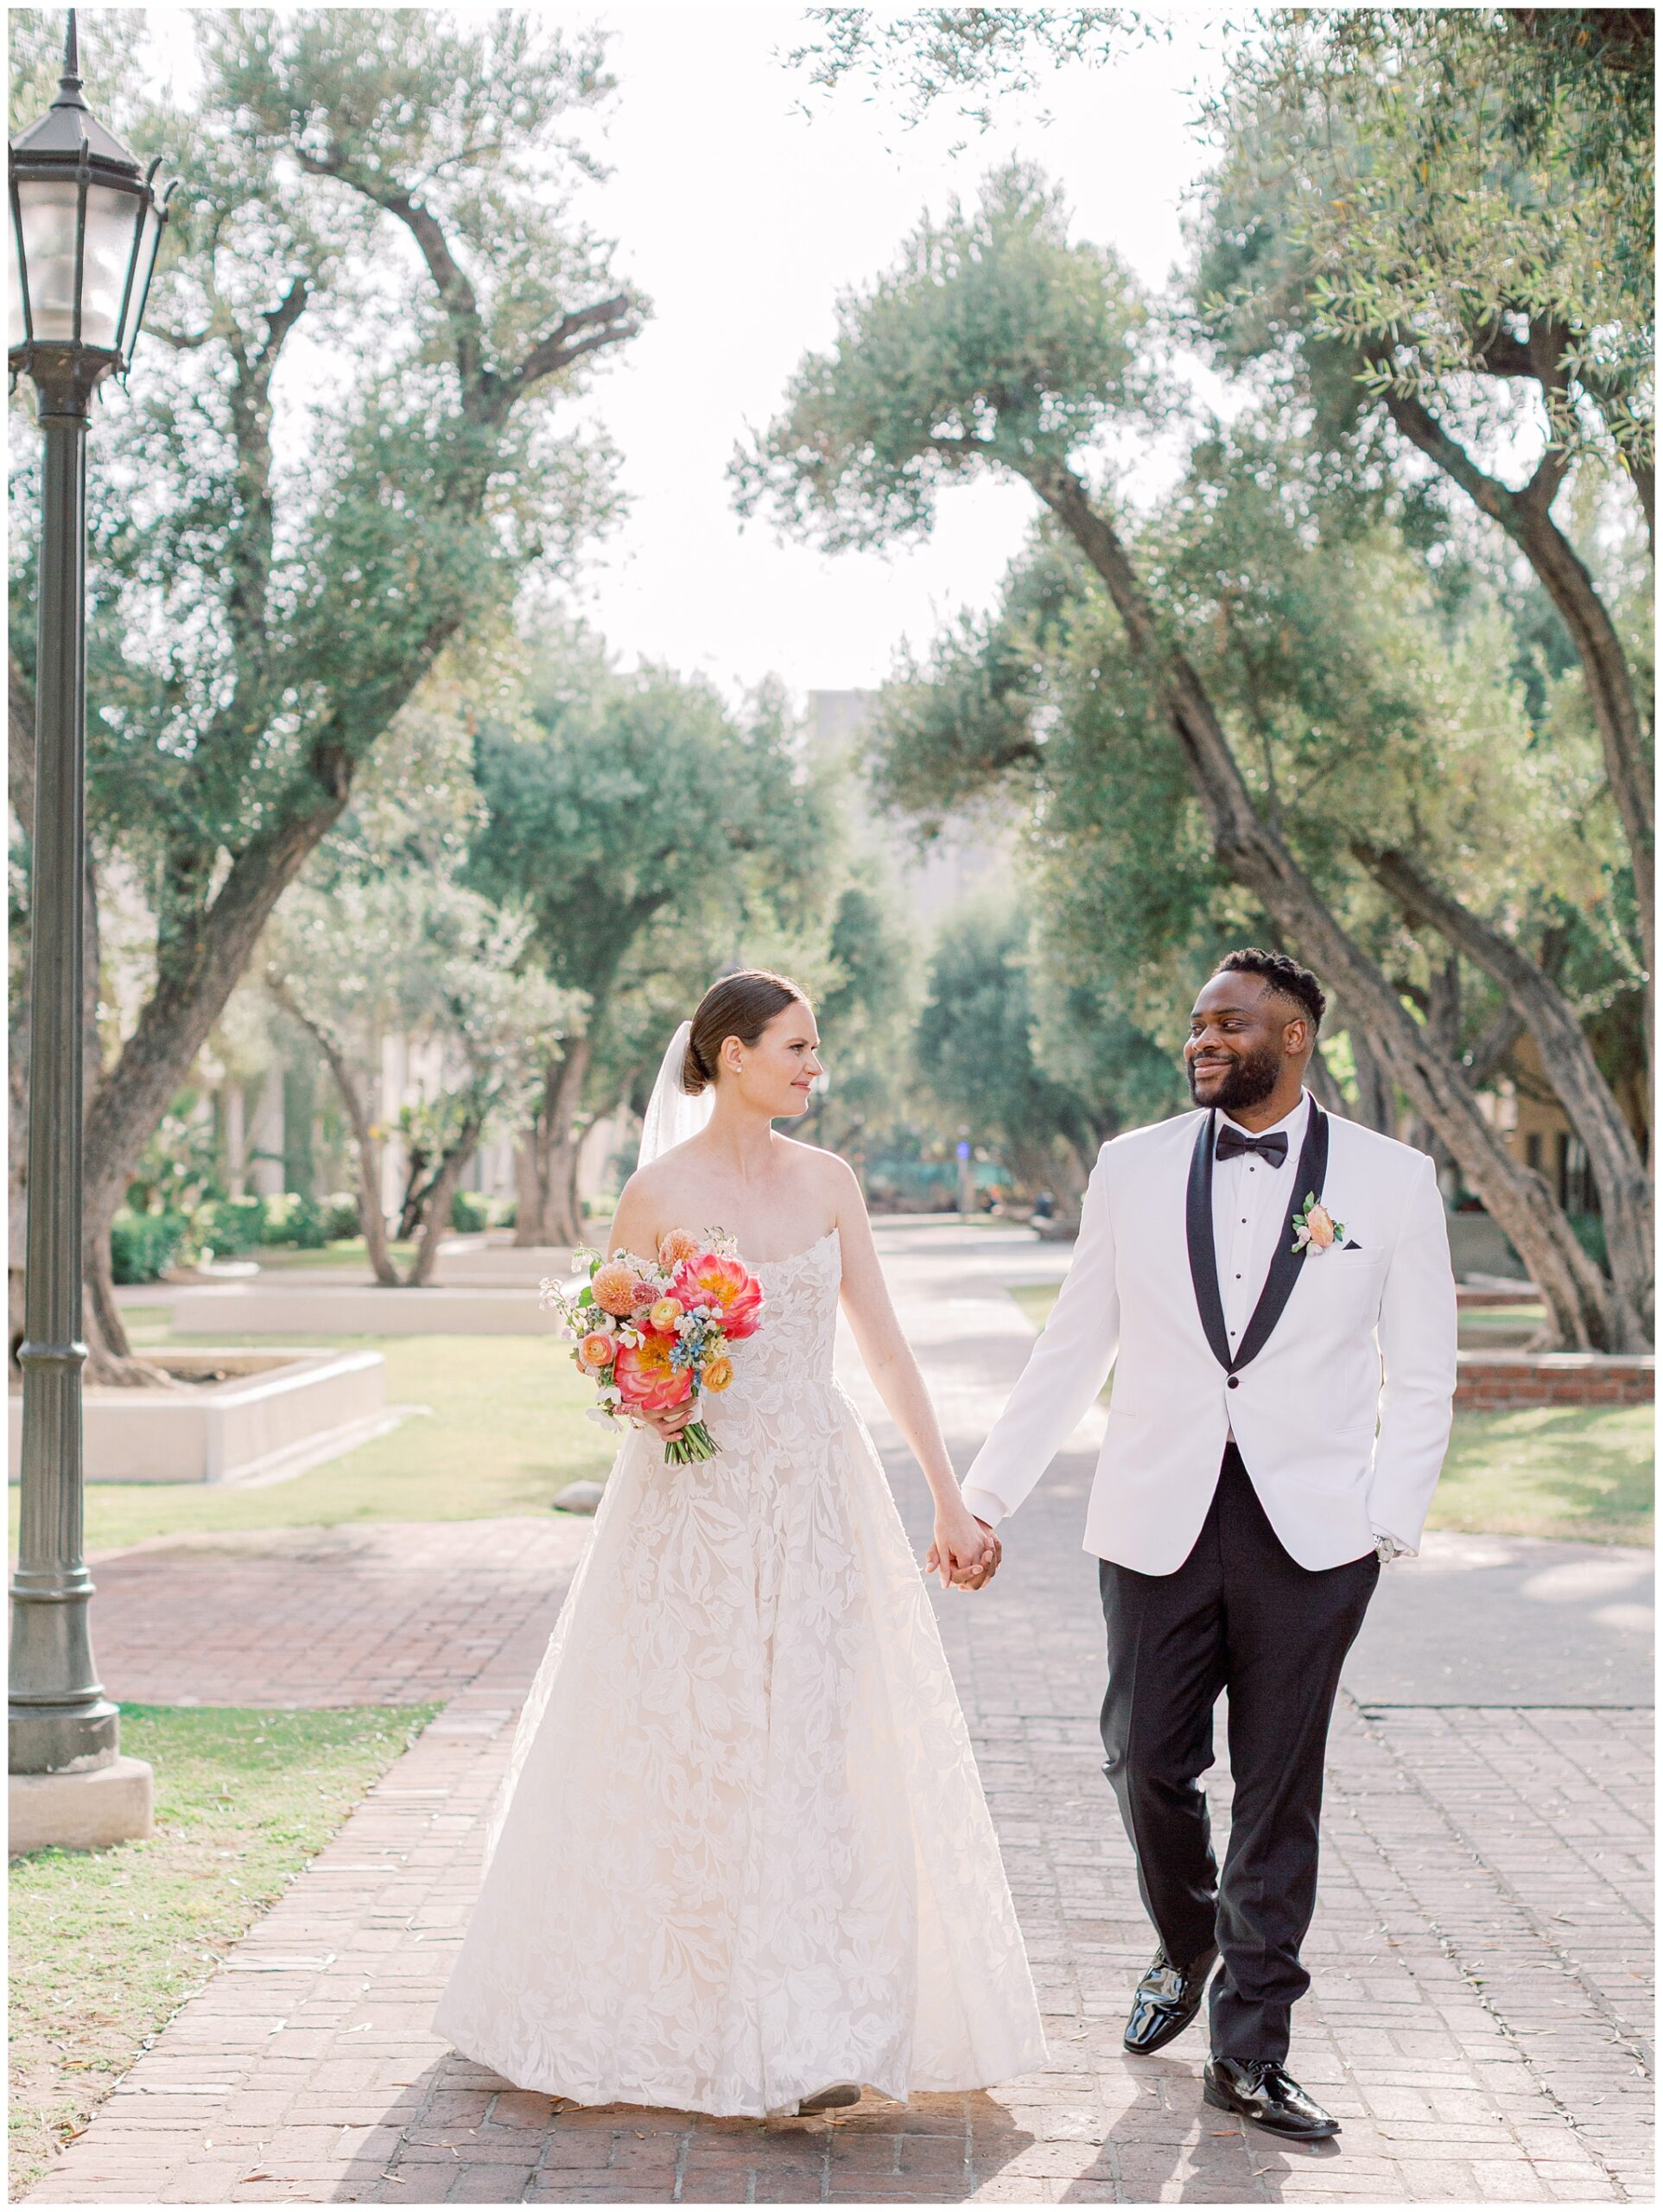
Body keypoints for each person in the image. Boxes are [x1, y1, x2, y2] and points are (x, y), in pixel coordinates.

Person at [433, 969, 1045, 2118]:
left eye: (816, 1049)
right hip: (692, 1508)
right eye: (797, 1047)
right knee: (694, 1745)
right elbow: (616, 1354)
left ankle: (822, 2029)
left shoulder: (830, 1184)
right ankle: (689, 2012)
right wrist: (650, 1389)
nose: (815, 1066)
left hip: (818, 1495)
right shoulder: (656, 1193)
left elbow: (888, 1351)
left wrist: (949, 1501)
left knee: (817, 1747)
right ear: (730, 1055)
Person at [956, 948, 1457, 2142]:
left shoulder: (1391, 1182)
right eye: (1193, 1023)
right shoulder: (1130, 1169)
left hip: (1312, 1535)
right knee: (1143, 1758)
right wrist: (987, 1497)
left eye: (1228, 1024)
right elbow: (1073, 1343)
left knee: (1278, 1792)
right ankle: (1189, 1945)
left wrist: (1386, 1520)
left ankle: (1249, 2051)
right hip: (1153, 1516)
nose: (1202, 1040)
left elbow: (1423, 1367)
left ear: (1294, 1037)